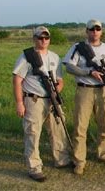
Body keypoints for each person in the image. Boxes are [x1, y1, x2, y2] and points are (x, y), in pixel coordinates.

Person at [12, 26, 71, 182]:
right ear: (34, 39)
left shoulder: (55, 57)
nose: (43, 40)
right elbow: (17, 80)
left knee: (58, 129)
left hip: (51, 99)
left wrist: (56, 90)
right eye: (40, 38)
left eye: (46, 38)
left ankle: (61, 160)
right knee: (33, 133)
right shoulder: (27, 56)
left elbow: (60, 80)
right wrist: (19, 103)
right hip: (34, 100)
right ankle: (34, 167)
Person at [63, 19, 105, 175]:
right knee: (80, 127)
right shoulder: (78, 48)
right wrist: (88, 72)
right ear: (87, 31)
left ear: (101, 31)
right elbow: (69, 67)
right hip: (84, 89)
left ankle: (104, 155)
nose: (95, 32)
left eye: (97, 29)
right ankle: (79, 161)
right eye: (92, 29)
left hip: (103, 90)